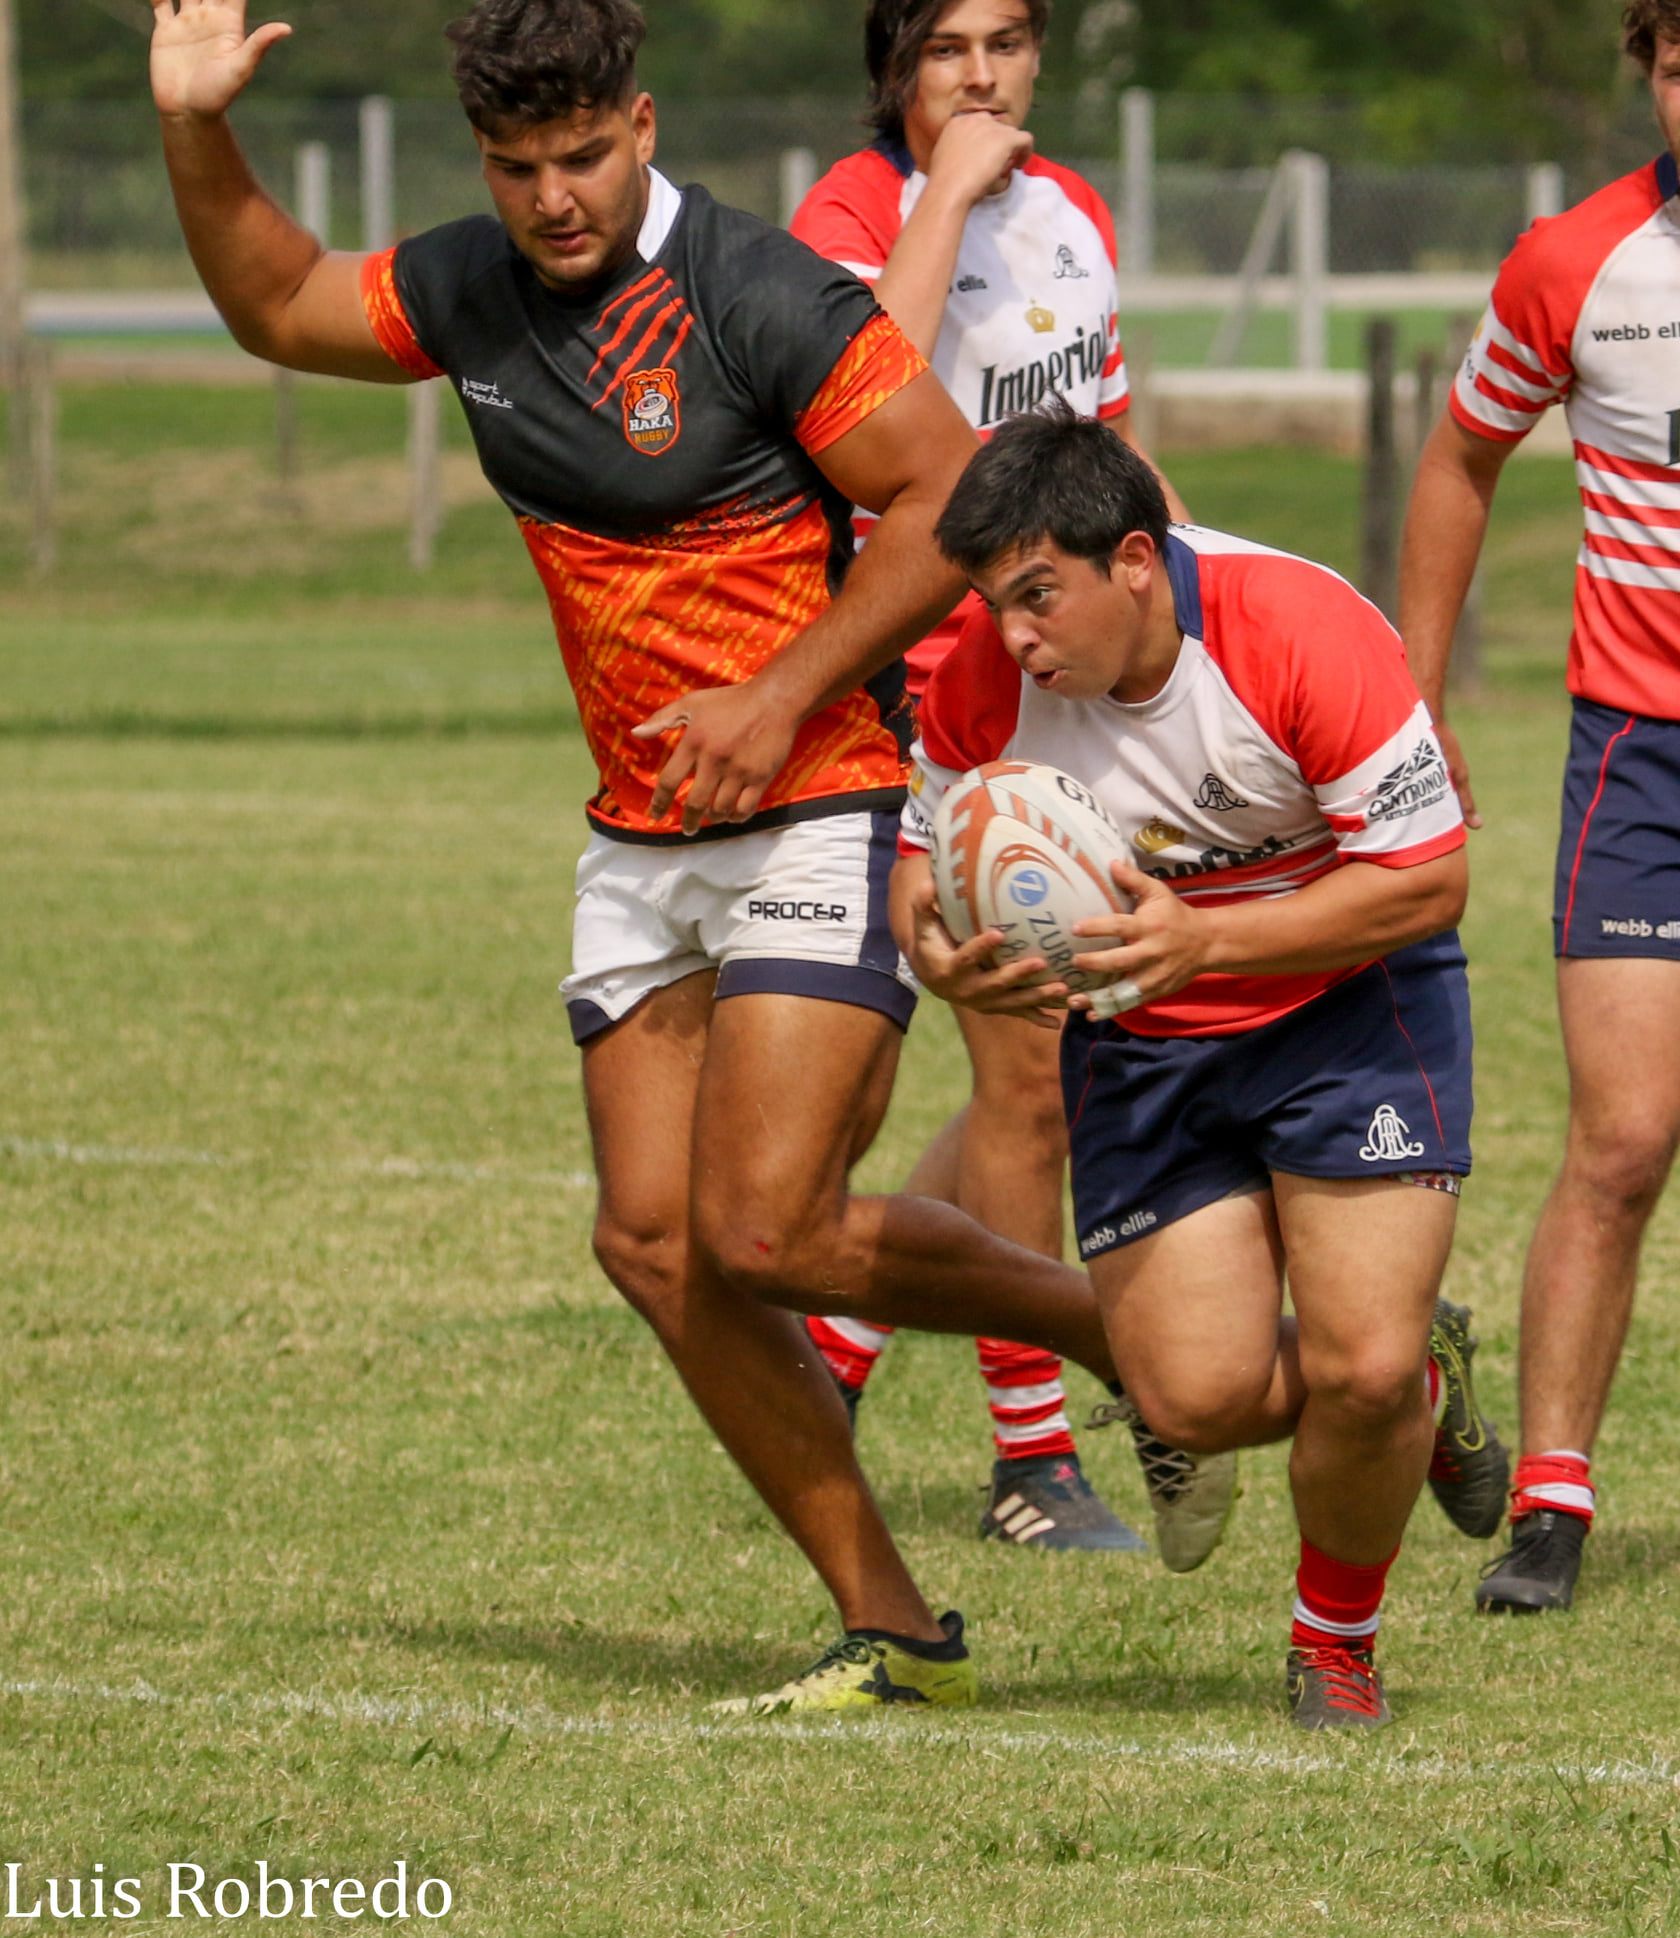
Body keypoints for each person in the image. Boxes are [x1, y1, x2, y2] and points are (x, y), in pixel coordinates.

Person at [148, 0, 1133, 1715]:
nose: (553, 198)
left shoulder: (760, 294)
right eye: (518, 167)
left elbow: (948, 495)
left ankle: (1132, 1334)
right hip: (640, 831)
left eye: (583, 155)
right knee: (657, 1246)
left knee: (761, 1227)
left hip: (819, 793)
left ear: (646, 122)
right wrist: (192, 124)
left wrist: (784, 685)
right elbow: (277, 300)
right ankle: (896, 1623)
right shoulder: (469, 290)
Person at [894, 403, 1509, 1728]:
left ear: (1133, 560)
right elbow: (921, 865)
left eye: (1038, 595)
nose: (1014, 635)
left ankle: (1333, 1638)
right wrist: (938, 950)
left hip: (1349, 1014)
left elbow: (1432, 880)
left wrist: (1209, 937)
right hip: (1147, 1044)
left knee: (1353, 1362)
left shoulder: (1298, 627)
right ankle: (1419, 1381)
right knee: (1195, 1393)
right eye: (994, 603)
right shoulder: (984, 679)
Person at [791, 0, 1225, 1564]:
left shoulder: (1078, 213)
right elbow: (861, 404)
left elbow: (1102, 444)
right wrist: (950, 196)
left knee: (1020, 1076)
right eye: (947, 46)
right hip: (923, 679)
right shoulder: (845, 217)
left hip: (1068, 671)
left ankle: (830, 1367)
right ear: (893, 68)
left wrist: (1210, 574)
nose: (983, 76)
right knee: (1026, 1077)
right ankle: (1034, 1458)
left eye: (1009, 41)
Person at [1399, 0, 1680, 1616]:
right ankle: (1554, 1504)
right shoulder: (1571, 261)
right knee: (1627, 1134)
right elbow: (1459, 455)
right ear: (1648, 71)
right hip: (1640, 759)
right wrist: (1416, 700)